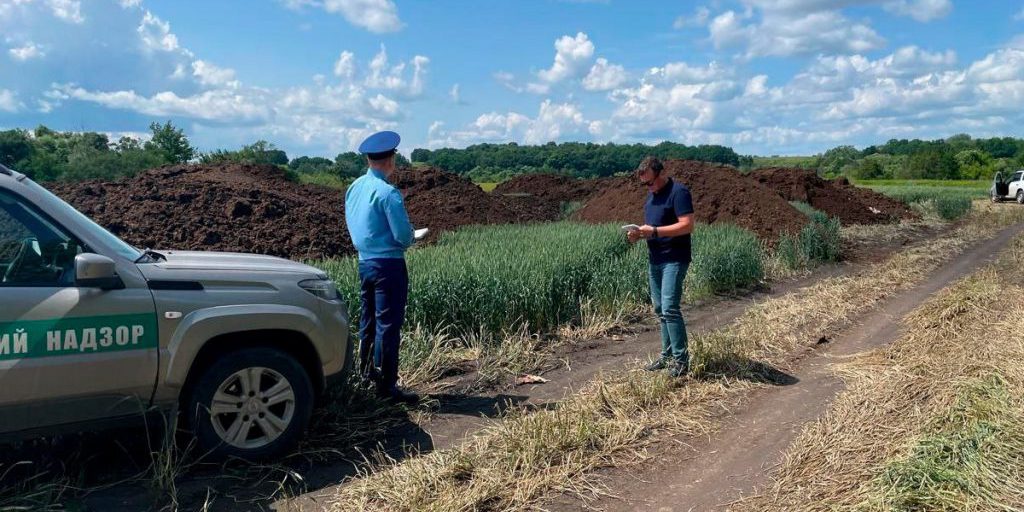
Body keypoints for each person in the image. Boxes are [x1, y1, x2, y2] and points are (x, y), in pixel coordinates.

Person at [344, 130, 419, 404]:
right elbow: (401, 235)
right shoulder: (388, 193)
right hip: (389, 266)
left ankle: (365, 374)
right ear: (391, 159)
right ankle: (387, 386)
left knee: (368, 321)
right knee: (388, 325)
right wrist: (412, 236)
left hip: (364, 263)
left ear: (368, 158)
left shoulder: (354, 188)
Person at [626, 157, 695, 378]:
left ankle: (681, 361)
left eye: (650, 182)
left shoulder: (679, 192)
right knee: (659, 310)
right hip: (655, 259)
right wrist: (638, 235)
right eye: (644, 184)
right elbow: (652, 227)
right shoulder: (651, 197)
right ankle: (666, 357)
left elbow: (687, 225)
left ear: (660, 173)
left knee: (670, 309)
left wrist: (654, 231)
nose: (648, 187)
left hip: (674, 259)